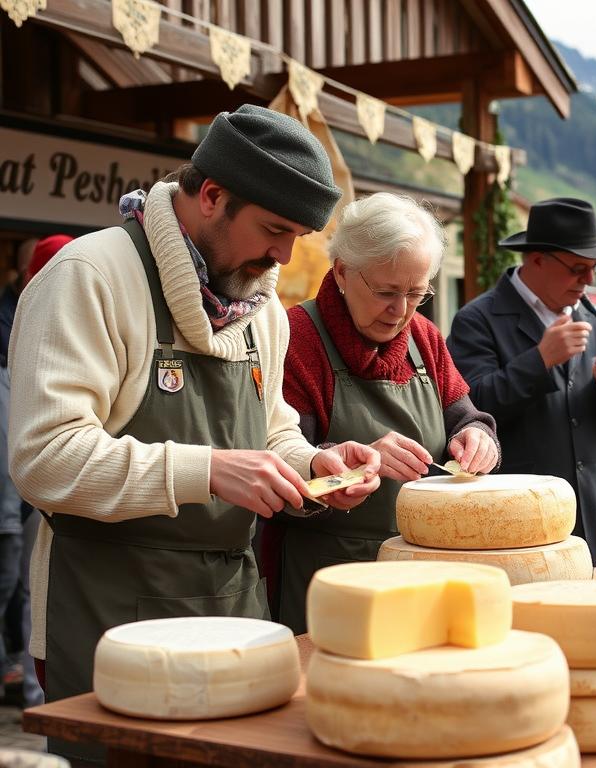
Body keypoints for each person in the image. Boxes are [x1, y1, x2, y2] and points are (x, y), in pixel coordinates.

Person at [8, 104, 381, 761]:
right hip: (109, 614)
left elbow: (272, 432)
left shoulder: (260, 308)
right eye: (274, 229)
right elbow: (44, 458)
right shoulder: (89, 278)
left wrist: (316, 465)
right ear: (211, 195)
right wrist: (205, 470)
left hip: (234, 608)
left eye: (297, 235)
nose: (283, 257)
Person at [275, 192, 499, 633]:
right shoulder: (295, 338)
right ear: (341, 272)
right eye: (385, 291)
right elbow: (282, 475)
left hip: (425, 572)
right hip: (334, 581)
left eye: (416, 293)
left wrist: (479, 439)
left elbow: (465, 416)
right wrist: (348, 463)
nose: (400, 311)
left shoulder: (425, 337)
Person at [448, 198, 596, 563]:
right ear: (537, 259)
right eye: (578, 268)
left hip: (595, 512)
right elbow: (471, 406)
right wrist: (540, 360)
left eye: (595, 268)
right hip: (521, 513)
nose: (589, 280)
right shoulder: (477, 318)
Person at [0, 235, 68, 709]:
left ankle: (32, 691)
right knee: (21, 582)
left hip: (37, 498)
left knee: (30, 585)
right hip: (22, 493)